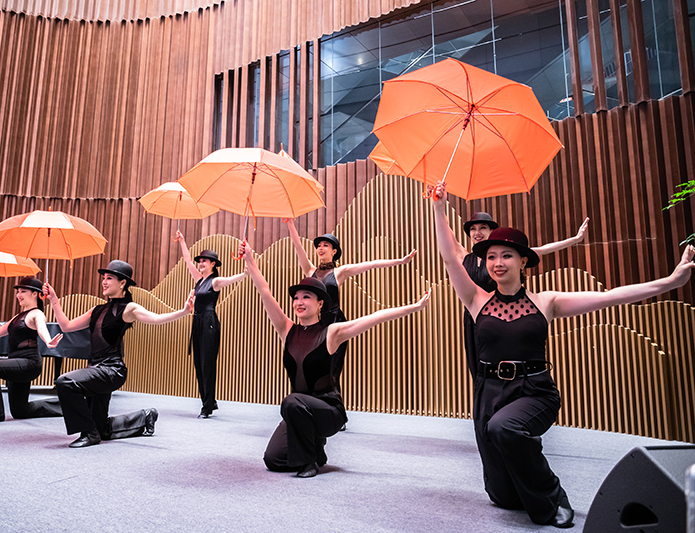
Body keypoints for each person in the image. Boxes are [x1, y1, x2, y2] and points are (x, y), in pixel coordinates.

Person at [432, 182, 694, 528]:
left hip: (534, 390)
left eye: (506, 255)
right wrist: (438, 207)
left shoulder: (547, 302)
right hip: (488, 392)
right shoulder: (475, 298)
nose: (497, 262)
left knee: (505, 429)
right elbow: (450, 255)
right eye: (491, 256)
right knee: (503, 496)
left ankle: (553, 496)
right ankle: (518, 485)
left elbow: (611, 296)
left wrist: (668, 283)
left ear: (523, 261)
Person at [239, 240, 430, 477]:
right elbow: (264, 291)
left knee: (291, 402)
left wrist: (414, 307)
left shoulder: (331, 333)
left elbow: (374, 318)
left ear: (320, 303)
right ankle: (316, 450)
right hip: (300, 410)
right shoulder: (286, 329)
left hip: (328, 410)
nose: (299, 302)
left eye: (306, 297)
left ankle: (309, 462)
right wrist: (249, 259)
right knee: (273, 459)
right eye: (296, 297)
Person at [43, 260, 194, 448]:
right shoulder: (97, 310)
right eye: (104, 278)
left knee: (65, 382)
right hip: (95, 370)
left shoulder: (128, 308)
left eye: (109, 278)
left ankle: (88, 434)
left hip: (111, 371)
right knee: (101, 428)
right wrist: (54, 300)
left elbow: (155, 319)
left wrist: (184, 311)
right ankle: (144, 417)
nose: (104, 282)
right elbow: (66, 326)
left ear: (122, 283)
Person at [285, 218, 417, 405]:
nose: (321, 248)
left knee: (333, 368)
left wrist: (400, 261)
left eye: (325, 245)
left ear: (334, 251)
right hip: (316, 325)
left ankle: (334, 408)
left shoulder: (340, 272)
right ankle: (312, 404)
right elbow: (298, 247)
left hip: (335, 322)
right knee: (314, 367)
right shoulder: (310, 271)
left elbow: (371, 264)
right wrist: (290, 224)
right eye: (319, 245)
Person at [447, 211, 589, 379]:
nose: (477, 233)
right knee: (478, 369)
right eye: (473, 229)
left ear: (491, 231)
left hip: (499, 315)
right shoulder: (464, 257)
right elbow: (445, 232)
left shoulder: (505, 256)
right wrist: (438, 204)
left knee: (502, 362)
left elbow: (542, 249)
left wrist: (575, 239)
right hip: (472, 318)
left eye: (482, 228)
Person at [176, 231, 247, 418]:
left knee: (207, 363)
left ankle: (207, 406)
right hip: (197, 321)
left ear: (213, 264)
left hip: (209, 322)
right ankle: (209, 401)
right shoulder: (199, 281)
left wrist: (247, 269)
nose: (200, 264)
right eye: (200, 261)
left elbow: (234, 279)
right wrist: (183, 241)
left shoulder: (215, 281)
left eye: (204, 261)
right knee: (199, 363)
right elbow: (187, 260)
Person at [0, 276, 64, 423]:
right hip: (17, 363)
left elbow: (41, 327)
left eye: (23, 291)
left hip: (28, 363)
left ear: (35, 294)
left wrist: (48, 340)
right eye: (18, 291)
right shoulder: (18, 316)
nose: (18, 295)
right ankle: (66, 406)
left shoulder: (36, 313)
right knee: (20, 411)